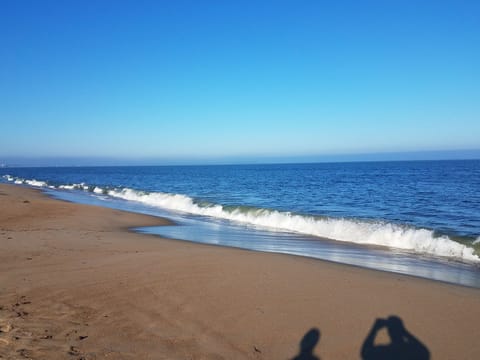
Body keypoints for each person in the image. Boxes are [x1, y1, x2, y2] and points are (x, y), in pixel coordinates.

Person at [361, 316, 430, 360]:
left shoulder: (386, 351)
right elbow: (424, 352)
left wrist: (374, 329)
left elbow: (365, 353)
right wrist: (404, 331)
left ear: (389, 332)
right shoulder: (411, 350)